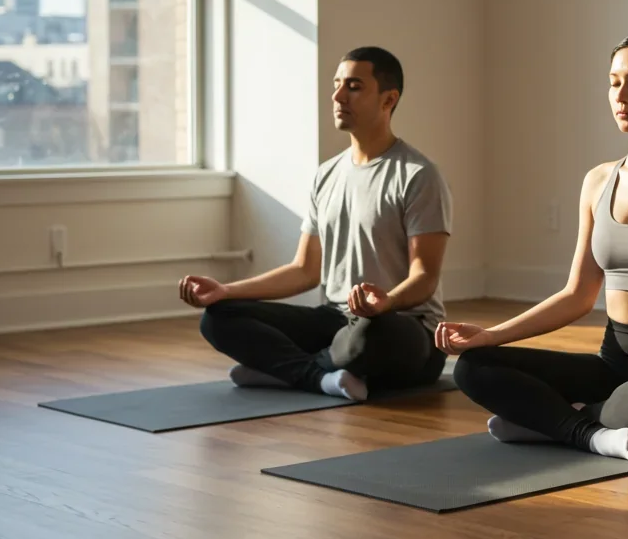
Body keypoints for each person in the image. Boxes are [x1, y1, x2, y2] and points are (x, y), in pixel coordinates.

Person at [437, 28, 628, 466]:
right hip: (612, 368)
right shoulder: (598, 181)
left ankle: (555, 422)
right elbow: (577, 294)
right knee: (473, 366)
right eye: (615, 81)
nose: (623, 94)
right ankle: (592, 433)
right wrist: (490, 335)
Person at [179, 46, 453, 401]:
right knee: (218, 318)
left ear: (388, 100)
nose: (338, 96)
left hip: (401, 327)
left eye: (354, 86)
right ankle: (318, 376)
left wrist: (384, 303)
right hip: (335, 323)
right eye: (337, 85)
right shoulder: (327, 174)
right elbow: (305, 270)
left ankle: (284, 370)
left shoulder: (417, 175)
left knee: (369, 336)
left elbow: (424, 278)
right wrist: (226, 291)